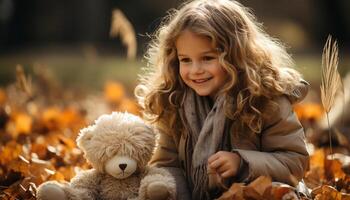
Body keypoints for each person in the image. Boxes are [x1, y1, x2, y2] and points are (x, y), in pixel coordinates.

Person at [135, 0, 309, 199]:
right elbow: (167, 165)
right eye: (185, 60)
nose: (195, 70)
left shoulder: (266, 100)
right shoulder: (173, 101)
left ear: (237, 56)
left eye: (208, 58)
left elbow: (294, 162)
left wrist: (242, 163)